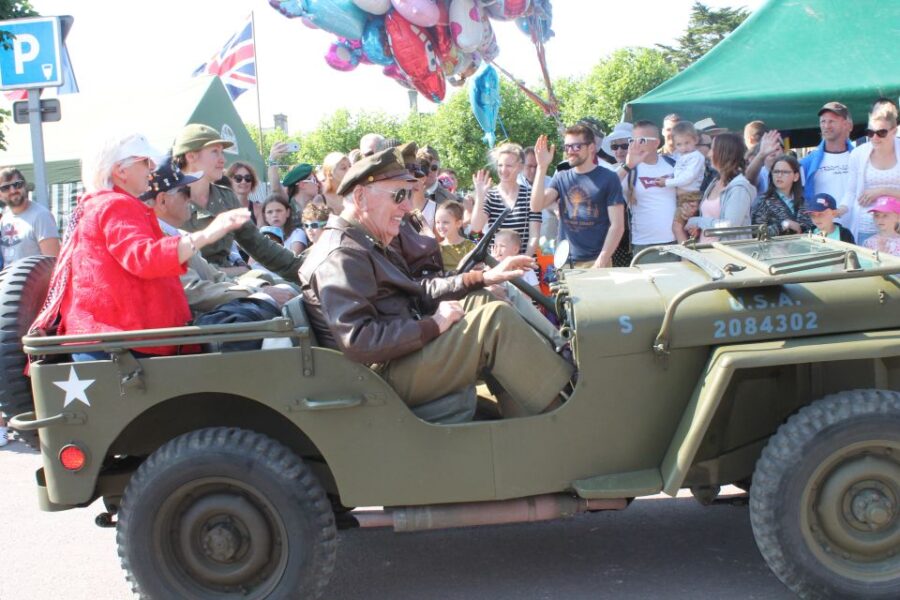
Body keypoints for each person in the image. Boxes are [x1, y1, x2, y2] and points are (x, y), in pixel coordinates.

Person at [298, 146, 574, 418]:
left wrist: (482, 278)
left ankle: (527, 417)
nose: (407, 206)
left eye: (407, 194)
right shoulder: (342, 255)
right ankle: (566, 418)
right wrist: (433, 325)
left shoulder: (364, 239)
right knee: (493, 321)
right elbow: (360, 340)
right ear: (360, 197)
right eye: (398, 196)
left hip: (398, 356)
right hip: (379, 376)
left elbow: (416, 290)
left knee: (482, 298)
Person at [30, 133, 250, 360]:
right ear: (120, 171)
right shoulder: (115, 205)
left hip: (118, 343)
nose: (151, 167)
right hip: (123, 347)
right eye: (144, 161)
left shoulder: (102, 203)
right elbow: (144, 258)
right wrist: (207, 234)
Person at [142, 156, 296, 314]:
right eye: (185, 191)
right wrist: (257, 292)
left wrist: (260, 285)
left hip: (200, 326)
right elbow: (194, 291)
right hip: (185, 332)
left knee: (285, 291)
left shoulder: (175, 235)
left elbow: (216, 278)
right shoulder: (154, 239)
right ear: (162, 201)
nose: (190, 196)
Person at [531, 125, 626, 268]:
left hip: (596, 261)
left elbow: (617, 226)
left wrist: (601, 261)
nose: (570, 151)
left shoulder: (609, 178)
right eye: (567, 147)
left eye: (576, 146)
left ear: (591, 147)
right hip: (565, 260)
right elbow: (536, 206)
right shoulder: (561, 178)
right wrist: (541, 167)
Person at [173, 124, 245, 268]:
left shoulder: (226, 197)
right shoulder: (168, 201)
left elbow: (258, 245)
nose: (223, 160)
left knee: (285, 287)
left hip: (228, 279)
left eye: (222, 152)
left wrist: (296, 267)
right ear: (191, 156)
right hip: (197, 284)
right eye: (214, 152)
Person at [616, 121, 677, 259]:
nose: (635, 145)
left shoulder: (673, 164)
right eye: (632, 140)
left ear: (656, 143)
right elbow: (604, 187)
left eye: (641, 140)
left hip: (676, 243)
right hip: (644, 245)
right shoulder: (628, 170)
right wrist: (628, 165)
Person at [844, 103, 900, 245]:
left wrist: (882, 191)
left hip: (897, 228)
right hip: (866, 226)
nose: (875, 137)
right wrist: (838, 211)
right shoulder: (858, 153)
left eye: (881, 132)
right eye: (870, 132)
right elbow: (850, 192)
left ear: (894, 131)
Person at [472, 142, 541, 256]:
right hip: (496, 265)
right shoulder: (490, 195)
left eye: (509, 166)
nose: (503, 170)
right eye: (500, 165)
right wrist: (480, 197)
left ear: (520, 167)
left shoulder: (531, 195)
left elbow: (534, 235)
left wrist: (524, 261)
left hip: (524, 265)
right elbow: (476, 228)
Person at [685, 133, 755, 243]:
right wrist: (697, 228)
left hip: (729, 256)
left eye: (712, 149)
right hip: (707, 253)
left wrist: (698, 221)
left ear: (724, 153)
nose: (709, 154)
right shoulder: (714, 182)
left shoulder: (739, 188)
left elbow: (730, 226)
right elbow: (710, 221)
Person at [799, 102, 855, 217]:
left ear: (847, 125)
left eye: (832, 121)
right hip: (823, 231)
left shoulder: (860, 157)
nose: (826, 126)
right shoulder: (807, 163)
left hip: (857, 230)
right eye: (823, 122)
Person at [656, 121, 705, 243]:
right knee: (687, 228)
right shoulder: (681, 156)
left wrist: (667, 182)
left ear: (695, 140)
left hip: (690, 197)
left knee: (677, 227)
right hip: (683, 196)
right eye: (679, 144)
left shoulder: (696, 157)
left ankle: (686, 256)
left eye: (687, 143)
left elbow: (688, 177)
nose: (683, 147)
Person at [0, 168, 60, 266]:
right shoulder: (5, 220)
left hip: (35, 281)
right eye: (5, 188)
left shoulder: (41, 216)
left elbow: (54, 264)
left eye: (17, 184)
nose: (13, 190)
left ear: (25, 186)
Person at [752, 154, 812, 237]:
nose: (779, 175)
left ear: (796, 176)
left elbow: (810, 231)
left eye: (785, 172)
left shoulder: (803, 202)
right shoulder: (762, 202)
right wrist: (783, 225)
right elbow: (756, 234)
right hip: (772, 249)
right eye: (776, 171)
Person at [519, 146, 558, 242]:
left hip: (547, 240)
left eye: (536, 166)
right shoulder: (515, 183)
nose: (533, 170)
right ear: (521, 165)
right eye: (529, 166)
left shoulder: (551, 183)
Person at [434, 200, 476, 270]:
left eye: (445, 222)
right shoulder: (437, 248)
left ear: (458, 223)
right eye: (437, 222)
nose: (440, 226)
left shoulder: (469, 246)